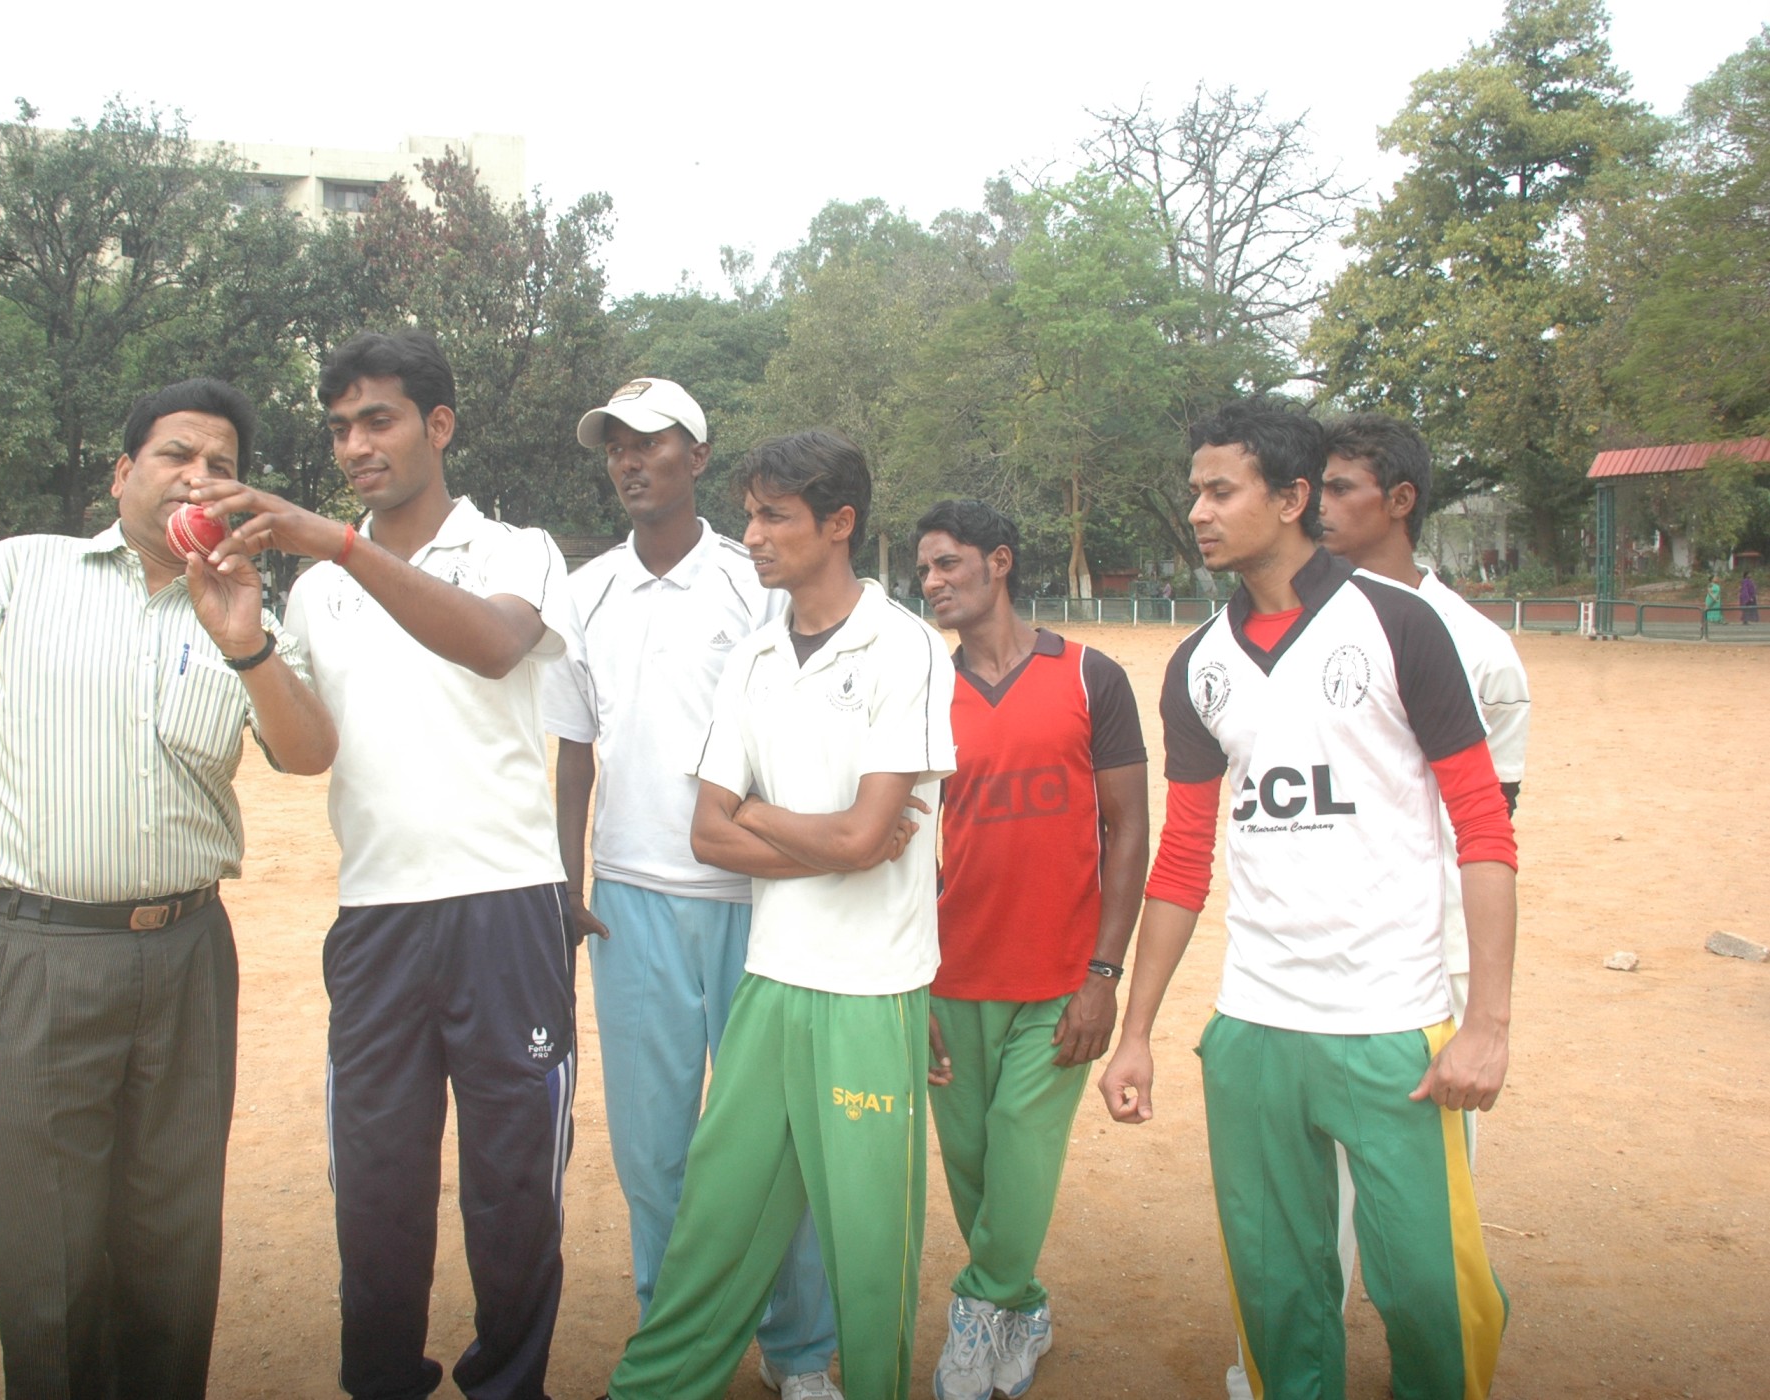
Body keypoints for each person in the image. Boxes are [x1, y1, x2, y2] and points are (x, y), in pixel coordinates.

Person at [0, 377, 337, 1399]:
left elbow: (307, 753)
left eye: (219, 465)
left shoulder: (243, 606)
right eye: (175, 454)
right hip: (32, 956)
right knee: (51, 1261)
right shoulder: (17, 573)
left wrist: (244, 639)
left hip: (187, 955)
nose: (197, 477)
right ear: (123, 474)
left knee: (174, 1246)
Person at [1095, 399, 1520, 1400]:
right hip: (1253, 1028)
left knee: (1428, 1292)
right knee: (1278, 1293)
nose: (1195, 512)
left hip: (1390, 1023)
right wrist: (1136, 1030)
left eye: (1218, 491)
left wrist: (1486, 1026)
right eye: (1193, 491)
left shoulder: (1399, 625)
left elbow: (1482, 828)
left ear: (1290, 499)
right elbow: (1183, 856)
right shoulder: (1196, 663)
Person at [189, 330, 577, 1400]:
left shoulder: (515, 549)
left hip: (505, 906)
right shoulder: (317, 590)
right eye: (339, 429)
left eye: (378, 420)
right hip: (376, 918)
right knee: (374, 1187)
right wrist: (249, 646)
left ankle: (510, 1383)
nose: (356, 445)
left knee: (513, 1186)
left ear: (437, 425)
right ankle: (381, 1380)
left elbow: (493, 645)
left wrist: (340, 548)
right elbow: (307, 752)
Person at [604, 431, 956, 1400]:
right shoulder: (753, 654)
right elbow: (709, 835)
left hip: (871, 991)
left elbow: (861, 835)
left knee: (869, 1248)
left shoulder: (904, 647)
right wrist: (823, 836)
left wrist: (767, 815)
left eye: (773, 516)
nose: (751, 535)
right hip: (769, 976)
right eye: (749, 515)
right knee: (714, 1226)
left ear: (838, 523)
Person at [543, 379, 840, 1399]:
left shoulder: (753, 581)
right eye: (615, 446)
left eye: (651, 443)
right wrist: (566, 879)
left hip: (756, 899)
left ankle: (799, 1350)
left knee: (773, 1141)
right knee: (652, 1150)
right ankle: (673, 1350)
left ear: (698, 456)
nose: (630, 461)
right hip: (628, 901)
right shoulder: (583, 591)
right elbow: (573, 750)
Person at [914, 499, 1148, 1400]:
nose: (932, 582)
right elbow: (903, 848)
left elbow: (1128, 830)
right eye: (924, 570)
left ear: (1000, 561)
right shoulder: (922, 692)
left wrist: (1103, 974)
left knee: (1019, 1145)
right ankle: (1023, 1307)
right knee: (972, 1166)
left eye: (948, 563)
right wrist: (911, 983)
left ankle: (978, 1309)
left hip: (1059, 977)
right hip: (950, 976)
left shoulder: (1091, 677)